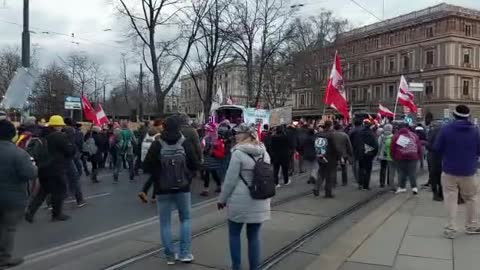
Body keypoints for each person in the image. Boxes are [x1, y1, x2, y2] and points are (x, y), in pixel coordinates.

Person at [143, 115, 201, 265]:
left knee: (165, 223)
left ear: (164, 127)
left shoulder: (157, 144)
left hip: (162, 189)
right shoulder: (185, 143)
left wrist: (158, 177)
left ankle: (169, 256)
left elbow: (146, 166)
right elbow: (195, 164)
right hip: (183, 187)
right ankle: (185, 253)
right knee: (186, 219)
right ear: (179, 128)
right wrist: (188, 176)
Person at [217, 124, 271, 270]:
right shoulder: (264, 153)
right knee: (254, 237)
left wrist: (222, 199)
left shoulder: (238, 153)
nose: (235, 135)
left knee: (234, 234)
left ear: (247, 135)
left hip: (240, 201)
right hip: (260, 199)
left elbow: (230, 180)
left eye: (238, 133)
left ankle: (237, 267)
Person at [434, 105, 480, 238]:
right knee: (471, 198)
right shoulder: (475, 131)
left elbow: (438, 148)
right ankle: (471, 226)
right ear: (468, 116)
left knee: (450, 199)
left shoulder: (446, 129)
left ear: (454, 115)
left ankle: (451, 229)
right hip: (469, 170)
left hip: (449, 169)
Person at [0, 120, 37, 269]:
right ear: (13, 135)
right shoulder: (19, 153)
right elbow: (29, 173)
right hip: (12, 199)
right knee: (8, 228)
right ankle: (3, 259)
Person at [26, 115, 75, 222]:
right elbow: (70, 151)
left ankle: (30, 211)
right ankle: (57, 214)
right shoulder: (59, 136)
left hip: (43, 168)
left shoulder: (42, 135)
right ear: (57, 126)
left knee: (43, 191)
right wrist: (71, 140)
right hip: (56, 168)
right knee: (60, 191)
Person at [392, 123, 422, 194]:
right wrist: (419, 156)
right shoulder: (414, 135)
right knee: (412, 173)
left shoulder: (397, 136)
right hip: (413, 156)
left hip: (400, 157)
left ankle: (402, 187)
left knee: (401, 172)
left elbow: (393, 147)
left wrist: (393, 156)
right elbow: (419, 146)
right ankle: (414, 188)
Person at [312, 120, 340, 198]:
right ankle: (328, 193)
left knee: (321, 173)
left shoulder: (318, 134)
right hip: (329, 157)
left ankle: (316, 188)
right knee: (329, 175)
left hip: (320, 156)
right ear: (330, 125)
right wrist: (338, 156)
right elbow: (334, 147)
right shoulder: (331, 135)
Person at [63, 119, 87, 206]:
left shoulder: (55, 133)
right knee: (75, 175)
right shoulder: (71, 131)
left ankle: (51, 201)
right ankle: (79, 199)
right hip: (70, 157)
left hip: (58, 159)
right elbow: (76, 144)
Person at [138, 119, 163, 203]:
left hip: (146, 158)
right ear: (159, 126)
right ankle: (149, 194)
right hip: (155, 159)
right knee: (156, 177)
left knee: (155, 177)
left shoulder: (148, 133)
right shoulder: (158, 135)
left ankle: (149, 194)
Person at [351, 119, 379, 190]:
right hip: (369, 154)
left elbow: (356, 143)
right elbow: (376, 145)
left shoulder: (359, 133)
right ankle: (366, 185)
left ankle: (360, 184)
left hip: (360, 153)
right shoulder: (372, 134)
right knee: (368, 170)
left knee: (361, 169)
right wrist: (374, 153)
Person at [200, 123, 224, 196]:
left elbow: (204, 149)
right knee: (214, 173)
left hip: (208, 158)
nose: (205, 131)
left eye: (206, 129)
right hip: (215, 158)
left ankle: (206, 190)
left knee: (207, 174)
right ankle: (219, 186)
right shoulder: (217, 137)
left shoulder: (206, 138)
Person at [426, 121, 443, 201]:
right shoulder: (444, 132)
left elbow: (428, 144)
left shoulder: (431, 132)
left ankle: (435, 193)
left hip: (432, 155)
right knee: (440, 174)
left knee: (433, 174)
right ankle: (441, 192)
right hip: (441, 155)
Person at [377, 124, 396, 189]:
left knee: (383, 168)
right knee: (390, 169)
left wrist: (378, 154)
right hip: (390, 155)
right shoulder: (393, 136)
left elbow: (378, 145)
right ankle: (389, 182)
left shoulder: (381, 136)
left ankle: (382, 183)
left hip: (382, 155)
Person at [349, 119, 364, 184]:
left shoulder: (351, 131)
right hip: (363, 149)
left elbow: (349, 141)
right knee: (362, 165)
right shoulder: (364, 130)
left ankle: (357, 178)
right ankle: (362, 177)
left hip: (353, 149)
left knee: (354, 165)